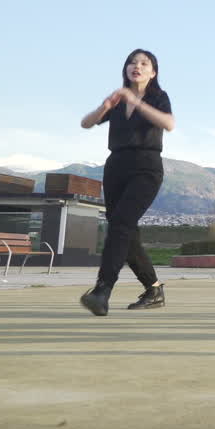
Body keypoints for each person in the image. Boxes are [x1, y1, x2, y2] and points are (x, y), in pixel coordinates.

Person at [79, 49, 175, 316]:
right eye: (133, 62)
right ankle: (153, 288)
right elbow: (85, 123)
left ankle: (102, 290)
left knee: (121, 224)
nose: (137, 66)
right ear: (126, 69)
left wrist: (138, 102)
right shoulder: (118, 100)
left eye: (144, 63)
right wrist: (105, 107)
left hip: (146, 167)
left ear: (153, 72)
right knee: (125, 230)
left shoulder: (158, 97)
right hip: (116, 166)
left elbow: (169, 124)